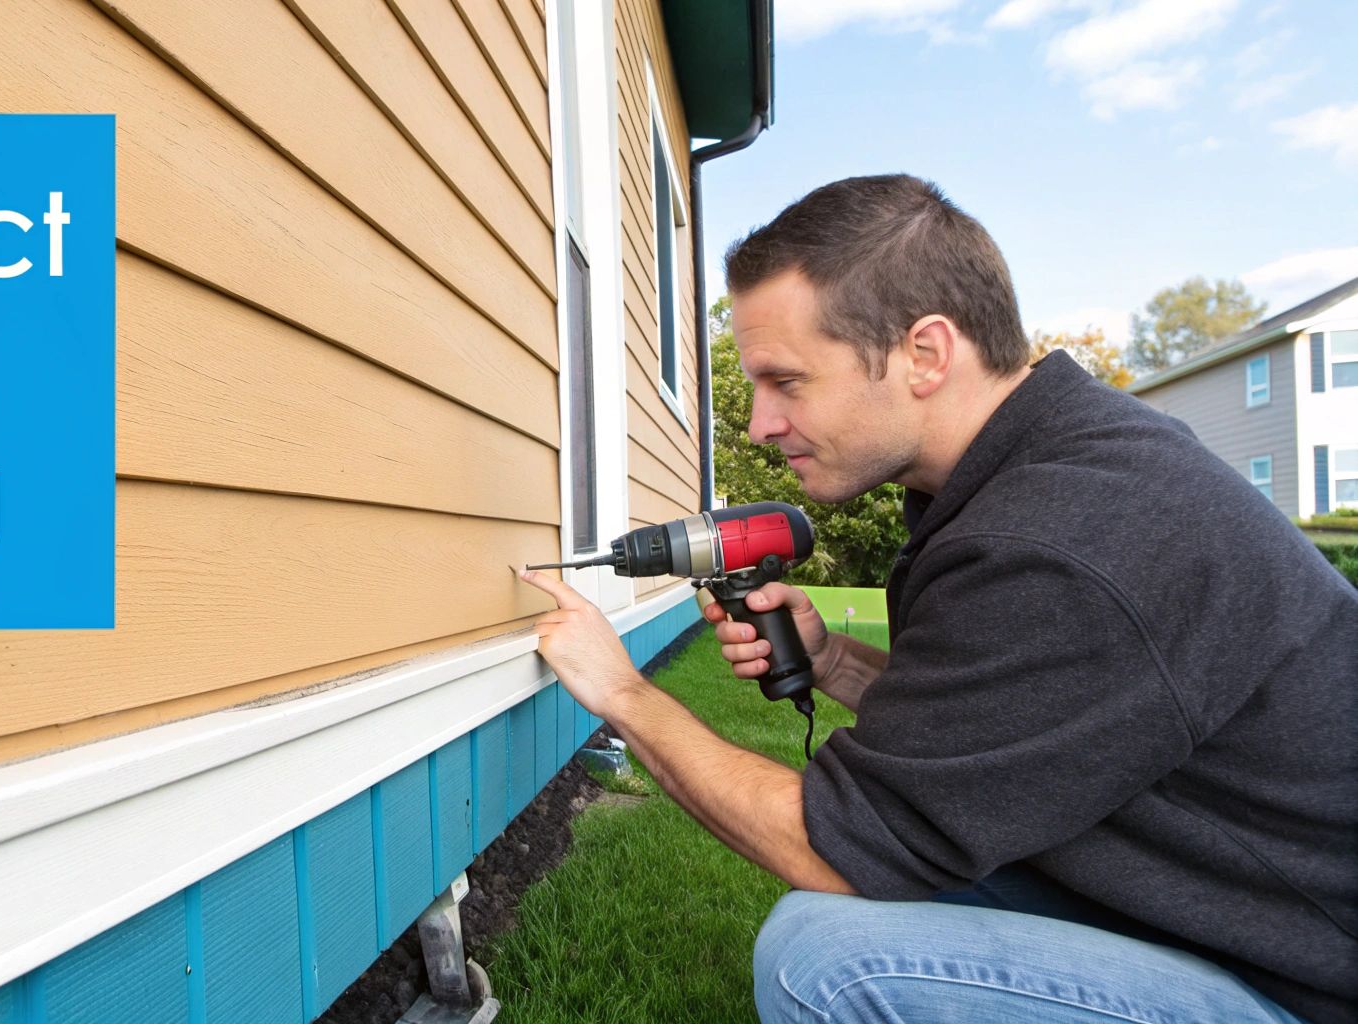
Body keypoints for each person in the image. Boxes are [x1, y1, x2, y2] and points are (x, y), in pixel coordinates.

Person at [517, 174, 1357, 1024]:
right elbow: (1020, 734)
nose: (759, 424)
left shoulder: (1066, 537)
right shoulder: (1042, 471)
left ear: (925, 353)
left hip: (1307, 985)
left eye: (787, 381)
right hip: (1239, 921)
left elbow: (841, 845)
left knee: (830, 961)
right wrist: (837, 662)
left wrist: (624, 696)